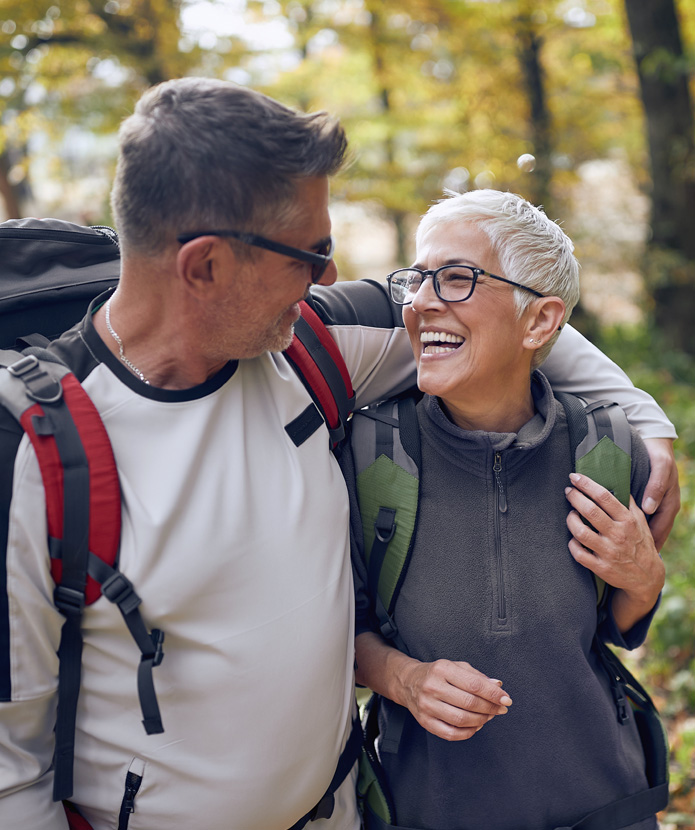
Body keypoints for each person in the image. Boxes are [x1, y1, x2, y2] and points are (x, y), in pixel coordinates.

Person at [0, 78, 678, 830]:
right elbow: (11, 766)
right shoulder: (35, 447)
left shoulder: (312, 346)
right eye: (309, 254)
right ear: (204, 267)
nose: (328, 277)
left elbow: (503, 320)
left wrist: (645, 425)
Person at [348, 189, 669, 830]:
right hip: (428, 813)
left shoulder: (605, 447)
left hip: (609, 808)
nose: (420, 301)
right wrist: (404, 678)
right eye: (418, 279)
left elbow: (615, 628)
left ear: (540, 322)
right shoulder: (364, 455)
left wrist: (644, 578)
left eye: (457, 278)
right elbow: (337, 632)